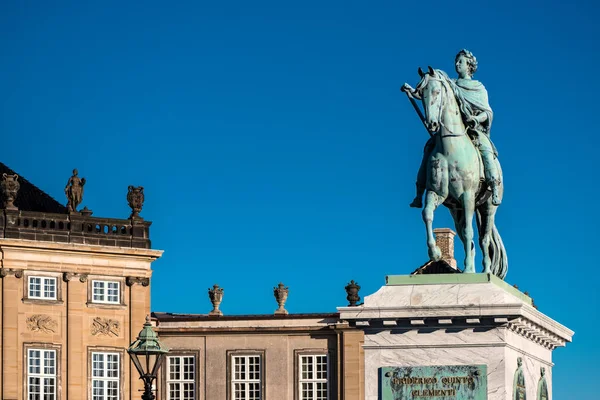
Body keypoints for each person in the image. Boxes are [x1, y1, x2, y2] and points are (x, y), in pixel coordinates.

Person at [403, 50, 501, 207]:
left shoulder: (478, 87)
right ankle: (419, 192)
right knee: (429, 148)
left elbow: (487, 112)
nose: (457, 64)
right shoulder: (450, 84)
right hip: (451, 129)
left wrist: (475, 118)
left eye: (460, 62)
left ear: (469, 66)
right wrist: (414, 93)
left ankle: (493, 185)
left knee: (486, 148)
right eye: (456, 61)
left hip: (473, 129)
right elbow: (434, 95)